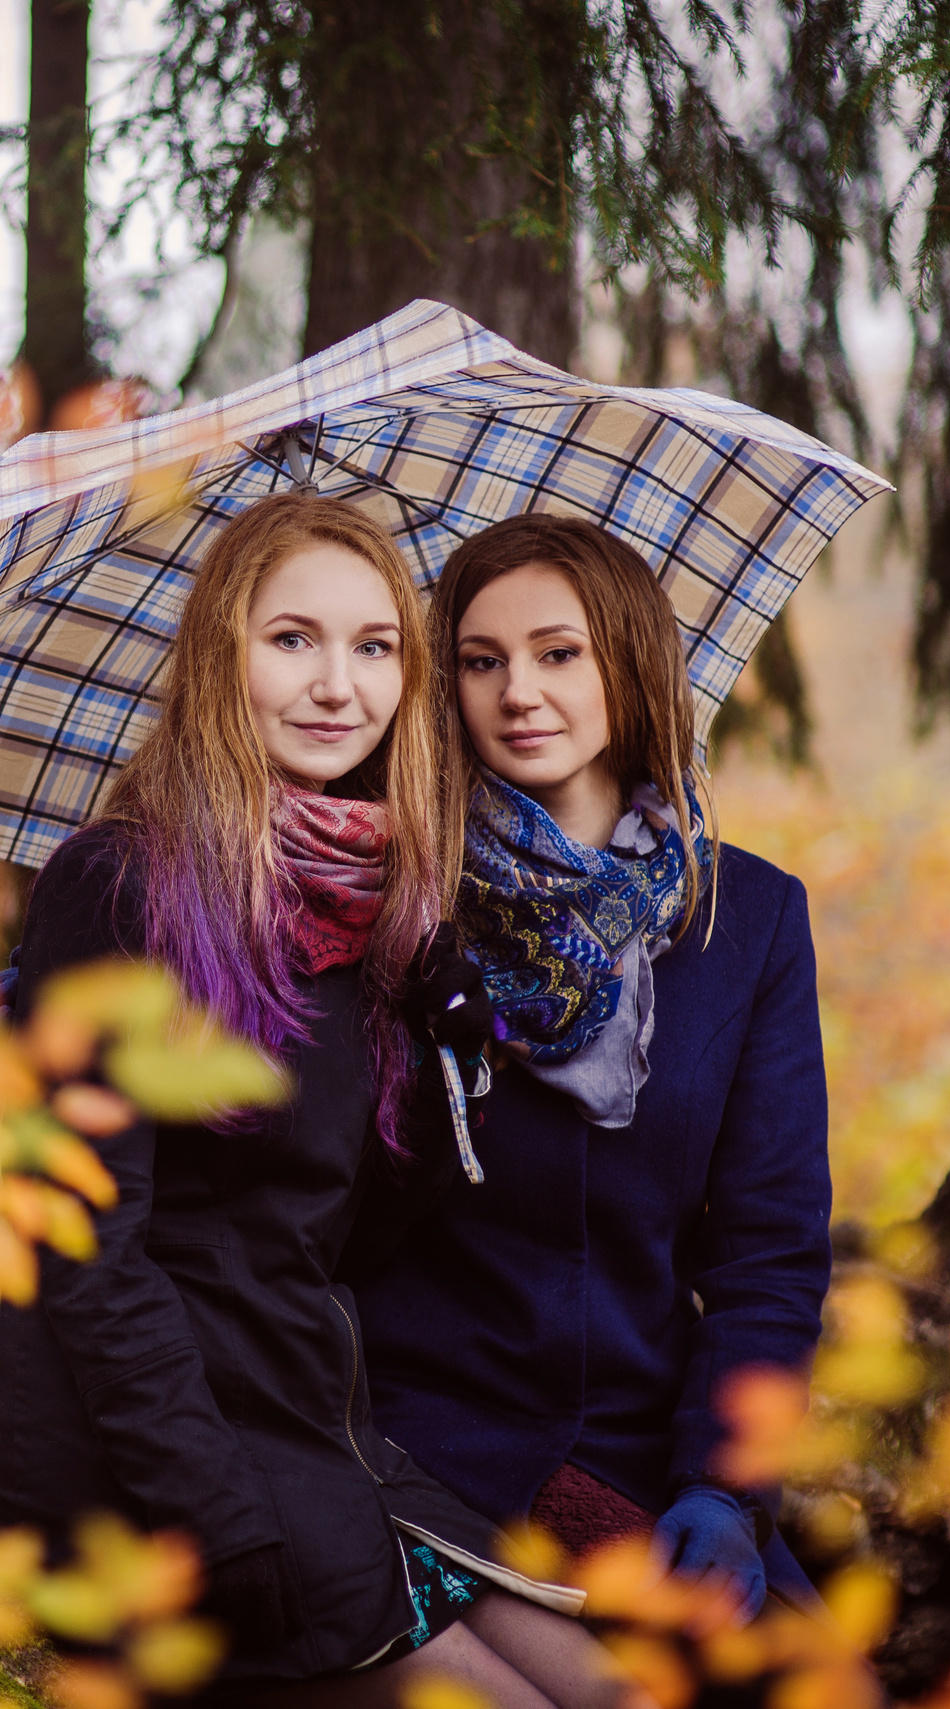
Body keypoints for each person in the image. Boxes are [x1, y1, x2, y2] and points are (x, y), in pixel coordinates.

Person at [0, 492, 632, 1708]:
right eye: (293, 640)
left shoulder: (371, 904)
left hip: (313, 1431)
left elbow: (356, 1228)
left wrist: (451, 1040)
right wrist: (217, 1516)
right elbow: (82, 1249)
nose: (339, 684)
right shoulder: (119, 886)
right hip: (161, 1470)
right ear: (221, 657)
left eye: (375, 646)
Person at [350, 513, 833, 1622]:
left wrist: (725, 1480)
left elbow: (769, 1246)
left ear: (629, 662)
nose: (518, 690)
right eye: (480, 661)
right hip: (429, 1424)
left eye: (557, 653)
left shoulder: (745, 916)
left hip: (653, 1437)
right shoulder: (393, 896)